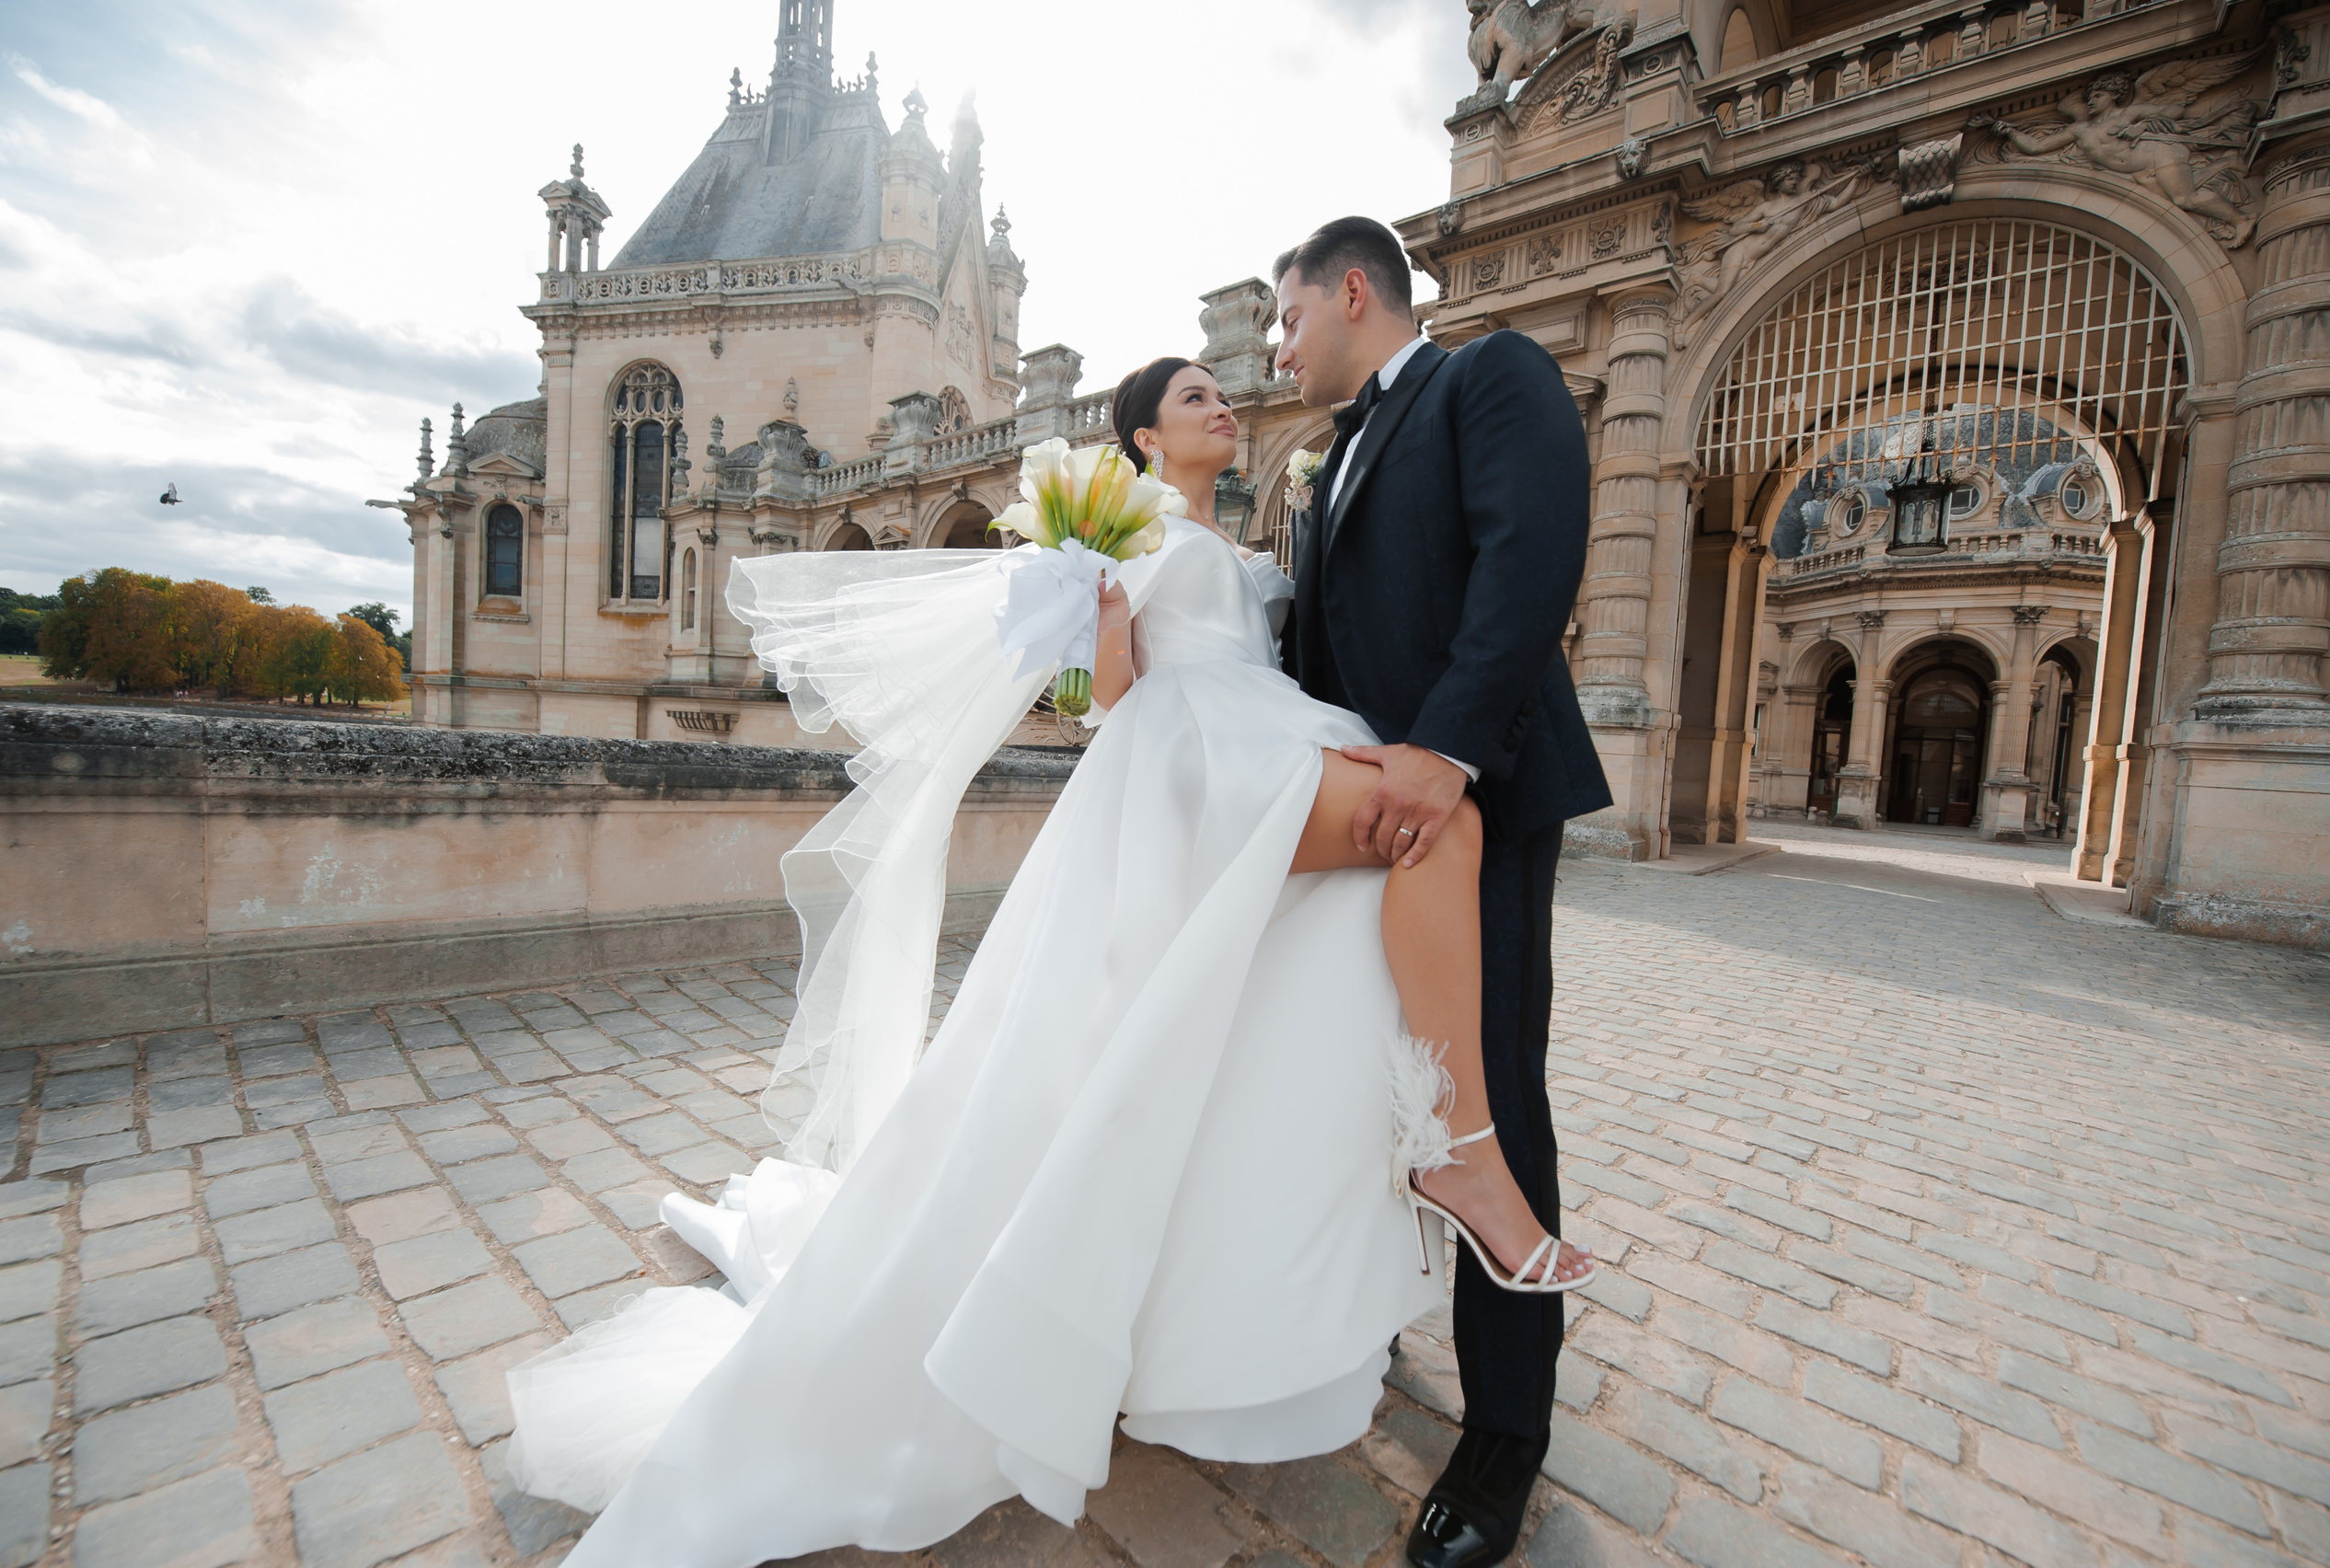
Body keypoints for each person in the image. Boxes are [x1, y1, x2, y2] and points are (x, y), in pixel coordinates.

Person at [501, 304, 1598, 1568]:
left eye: (1237, 371)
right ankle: (1458, 1155)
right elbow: (1106, 700)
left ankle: (1357, 1248)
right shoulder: (1125, 537)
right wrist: (1099, 622)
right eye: (1196, 394)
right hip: (1203, 762)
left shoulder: (1267, 520)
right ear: (1138, 435)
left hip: (1269, 740)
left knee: (1244, 1046)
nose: (1235, 389)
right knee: (1436, 839)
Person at [1274, 215, 1610, 1568]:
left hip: (1473, 802)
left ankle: (1506, 1436)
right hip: (1365, 827)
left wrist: (1447, 750)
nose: (1278, 346)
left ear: (1354, 291)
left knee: (1490, 1097)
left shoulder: (1491, 377)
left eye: (1288, 319)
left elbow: (1533, 562)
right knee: (1381, 1087)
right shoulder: (1326, 460)